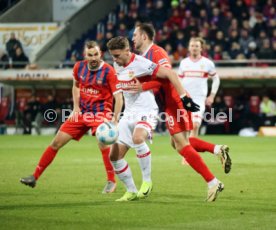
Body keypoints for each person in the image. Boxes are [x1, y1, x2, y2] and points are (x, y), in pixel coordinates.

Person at [107, 36, 224, 202]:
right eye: (113, 56)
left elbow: (168, 74)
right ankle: (131, 190)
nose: (115, 59)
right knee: (116, 155)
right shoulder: (118, 65)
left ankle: (211, 181)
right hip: (139, 110)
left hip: (167, 104)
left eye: (117, 55)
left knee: (175, 143)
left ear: (128, 50)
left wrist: (183, 97)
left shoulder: (149, 57)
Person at [20, 41, 123, 194]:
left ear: (100, 54)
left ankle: (111, 182)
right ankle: (34, 177)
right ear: (85, 56)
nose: (93, 58)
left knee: (103, 143)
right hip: (82, 113)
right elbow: (76, 85)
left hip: (101, 113)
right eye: (90, 55)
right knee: (56, 142)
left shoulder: (109, 71)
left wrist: (114, 120)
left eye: (96, 54)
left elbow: (119, 97)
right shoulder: (78, 67)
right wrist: (76, 107)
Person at [131, 23, 231, 172]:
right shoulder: (182, 62)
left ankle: (211, 179)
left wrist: (207, 96)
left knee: (184, 140)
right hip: (175, 100)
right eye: (192, 46)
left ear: (144, 36)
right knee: (176, 143)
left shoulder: (157, 53)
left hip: (182, 100)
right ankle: (216, 150)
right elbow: (175, 80)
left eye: (135, 35)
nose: (132, 38)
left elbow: (169, 76)